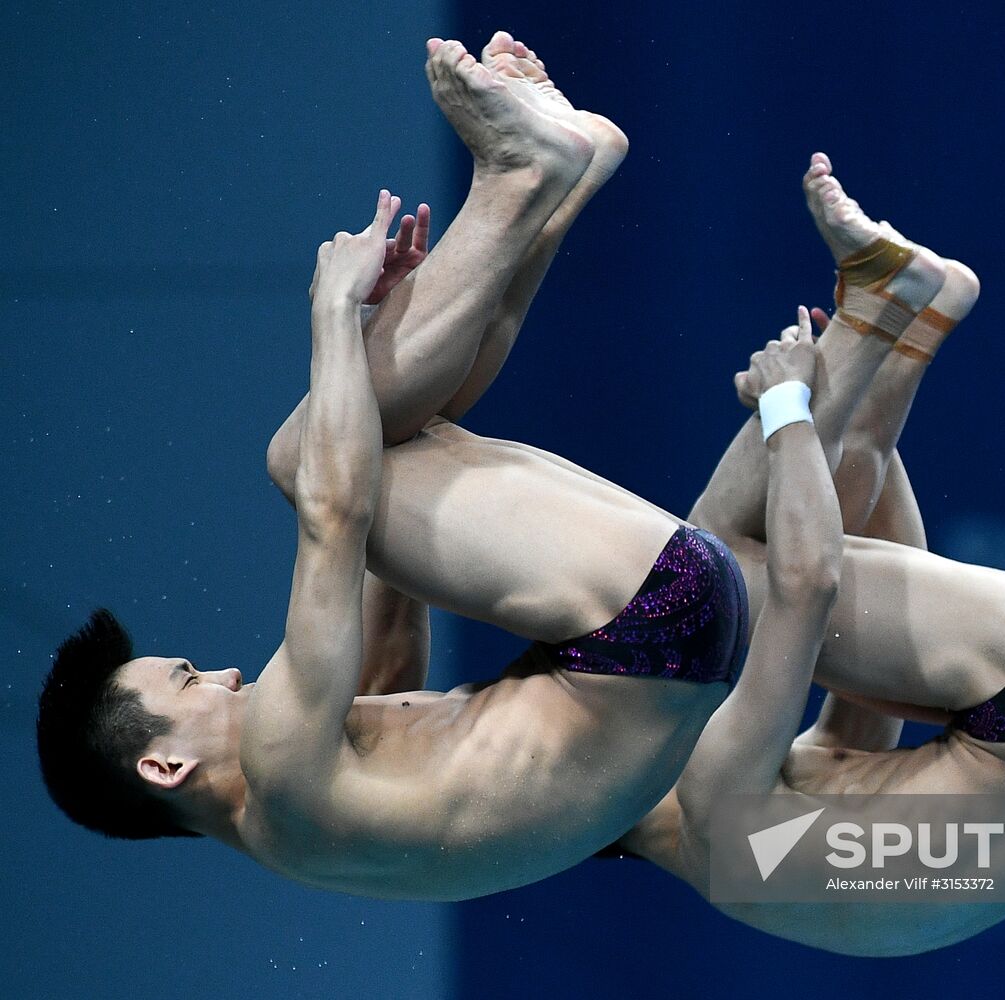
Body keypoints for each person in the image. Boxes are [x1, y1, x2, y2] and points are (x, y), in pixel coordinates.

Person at [36, 34, 748, 902]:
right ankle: (523, 180)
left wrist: (399, 337)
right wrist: (333, 318)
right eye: (188, 682)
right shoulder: (280, 763)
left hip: (674, 632)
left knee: (375, 436)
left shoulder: (306, 825)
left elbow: (389, 595)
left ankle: (561, 177)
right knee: (302, 461)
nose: (224, 672)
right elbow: (335, 513)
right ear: (165, 763)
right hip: (640, 627)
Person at [615, 162, 1005, 955]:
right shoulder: (722, 805)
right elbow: (809, 581)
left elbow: (887, 588)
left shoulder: (788, 834)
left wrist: (863, 393)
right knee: (699, 583)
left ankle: (911, 313)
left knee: (742, 577)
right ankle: (881, 310)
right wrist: (786, 407)